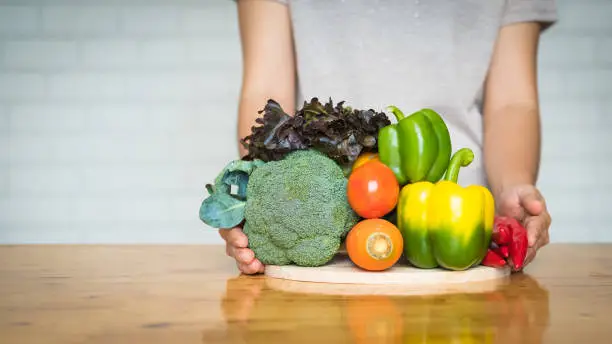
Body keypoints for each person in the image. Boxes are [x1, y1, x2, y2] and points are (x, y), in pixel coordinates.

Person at [220, 0, 556, 274]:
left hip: (455, 217)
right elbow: (266, 93)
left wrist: (513, 184)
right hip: (329, 226)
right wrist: (261, 194)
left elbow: (512, 103)